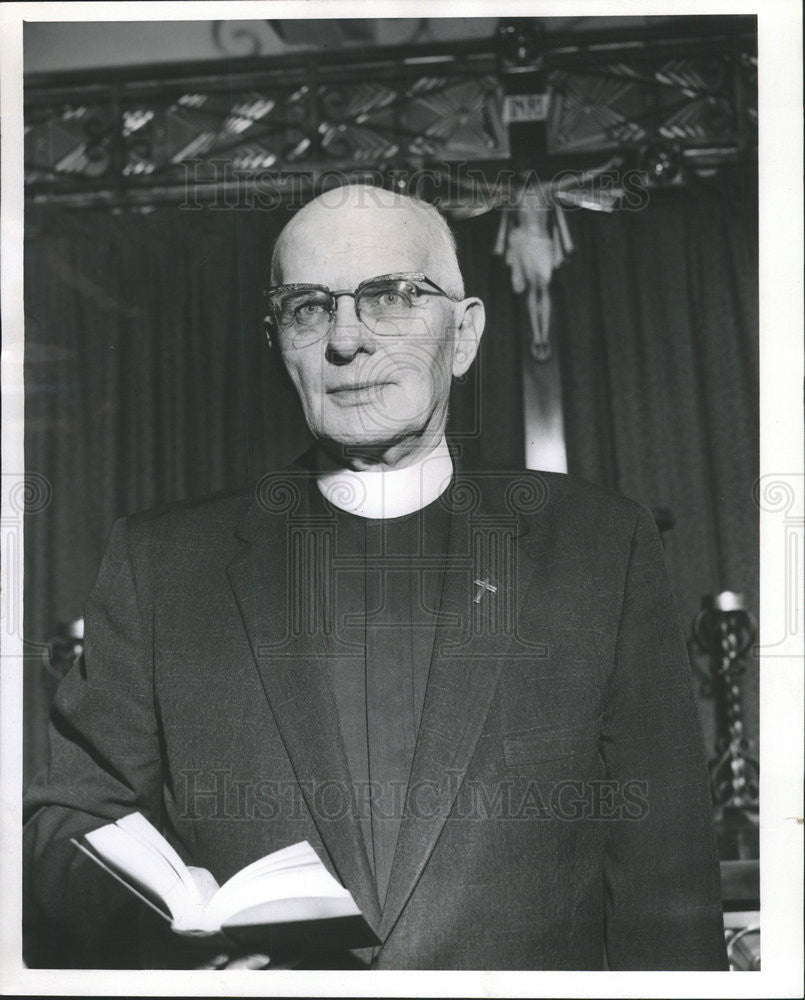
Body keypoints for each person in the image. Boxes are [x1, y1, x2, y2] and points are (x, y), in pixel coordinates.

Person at [23, 184, 728, 971]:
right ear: (276, 342)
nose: (347, 341)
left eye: (391, 296)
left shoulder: (599, 546)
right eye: (307, 308)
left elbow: (666, 880)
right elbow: (66, 827)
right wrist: (173, 953)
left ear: (462, 337)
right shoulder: (163, 565)